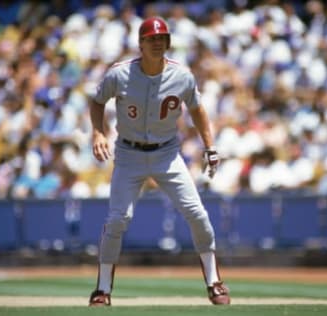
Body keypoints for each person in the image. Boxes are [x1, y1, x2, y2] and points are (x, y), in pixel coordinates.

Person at [88, 17, 230, 306]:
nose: (156, 43)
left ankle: (214, 282)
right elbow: (97, 100)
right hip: (128, 154)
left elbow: (198, 109)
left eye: (161, 39)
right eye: (151, 39)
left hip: (167, 154)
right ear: (140, 43)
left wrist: (210, 147)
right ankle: (102, 289)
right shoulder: (120, 74)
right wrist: (97, 132)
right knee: (118, 219)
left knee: (197, 213)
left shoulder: (182, 75)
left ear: (168, 43)